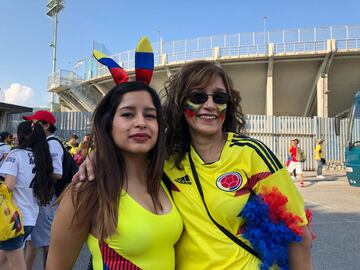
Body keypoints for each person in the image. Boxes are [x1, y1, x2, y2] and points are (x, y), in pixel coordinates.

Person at [77, 60, 313, 269]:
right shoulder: (165, 157)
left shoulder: (251, 154)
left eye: (219, 98)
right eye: (198, 97)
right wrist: (97, 157)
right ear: (180, 103)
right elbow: (127, 150)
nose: (209, 105)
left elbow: (297, 229)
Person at [47, 37, 183, 270]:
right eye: (128, 114)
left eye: (150, 115)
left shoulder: (167, 178)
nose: (141, 122)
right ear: (109, 124)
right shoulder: (87, 189)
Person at [0, 121, 55, 270]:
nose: (14, 136)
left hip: (13, 218)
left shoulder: (15, 154)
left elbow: (9, 185)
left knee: (16, 265)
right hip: (30, 217)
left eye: (17, 132)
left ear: (24, 135)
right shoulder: (41, 157)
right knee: (4, 262)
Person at [21, 110, 64, 268]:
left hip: (49, 198)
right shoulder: (46, 143)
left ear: (46, 125)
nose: (32, 126)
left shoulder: (52, 144)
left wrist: (38, 172)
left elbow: (58, 173)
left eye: (35, 123)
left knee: (46, 241)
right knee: (33, 240)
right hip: (45, 197)